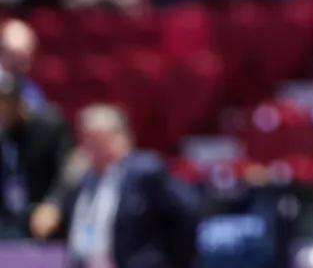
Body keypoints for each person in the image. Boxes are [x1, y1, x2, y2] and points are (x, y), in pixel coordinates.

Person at [34, 104, 201, 268]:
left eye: (94, 138)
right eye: (83, 136)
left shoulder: (145, 170)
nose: (86, 144)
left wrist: (178, 261)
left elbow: (188, 210)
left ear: (118, 137)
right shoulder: (82, 177)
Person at [0, 69, 71, 239]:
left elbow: (68, 172)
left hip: (43, 220)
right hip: (8, 221)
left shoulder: (49, 127)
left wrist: (54, 204)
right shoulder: (3, 134)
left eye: (5, 102)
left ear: (19, 101)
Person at [0, 19, 46, 109]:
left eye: (27, 56)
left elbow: (37, 111)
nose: (23, 63)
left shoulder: (31, 90)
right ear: (2, 52)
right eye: (16, 56)